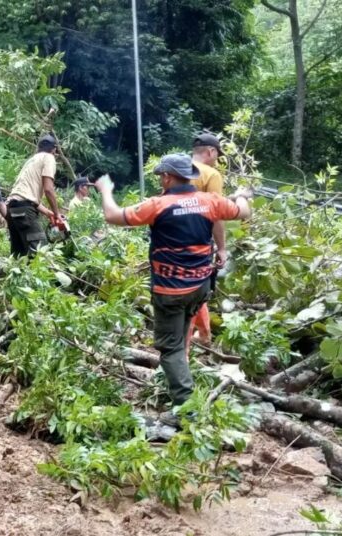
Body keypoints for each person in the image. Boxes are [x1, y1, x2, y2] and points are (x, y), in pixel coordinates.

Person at [93, 154, 252, 426]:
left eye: (160, 177)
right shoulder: (208, 201)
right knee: (181, 338)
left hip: (171, 290)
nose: (160, 181)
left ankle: (186, 409)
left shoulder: (158, 205)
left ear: (167, 177)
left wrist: (106, 191)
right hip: (200, 287)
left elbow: (112, 215)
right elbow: (243, 212)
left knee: (170, 348)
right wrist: (241, 195)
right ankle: (183, 385)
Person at [189, 132, 227, 347]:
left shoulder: (174, 169)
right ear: (211, 151)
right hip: (197, 242)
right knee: (196, 288)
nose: (217, 160)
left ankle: (203, 335)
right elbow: (216, 214)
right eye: (217, 155)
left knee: (188, 287)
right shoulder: (210, 174)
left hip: (170, 241)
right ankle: (194, 341)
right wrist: (222, 247)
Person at [6, 134, 63, 257]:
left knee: (19, 256)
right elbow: (48, 189)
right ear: (54, 149)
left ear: (39, 148)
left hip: (12, 209)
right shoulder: (49, 158)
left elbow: (26, 197)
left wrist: (49, 213)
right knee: (40, 253)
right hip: (24, 209)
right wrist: (57, 214)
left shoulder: (31, 161)